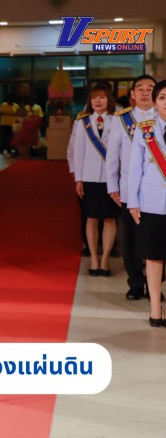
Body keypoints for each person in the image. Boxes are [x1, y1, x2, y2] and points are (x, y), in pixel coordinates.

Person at [104, 74, 157, 301]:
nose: (145, 92)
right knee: (132, 241)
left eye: (150, 88)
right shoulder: (121, 119)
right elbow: (112, 155)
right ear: (132, 94)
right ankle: (135, 283)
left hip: (158, 192)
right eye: (140, 89)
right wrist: (112, 185)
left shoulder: (162, 118)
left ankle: (154, 284)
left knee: (157, 240)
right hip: (129, 190)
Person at [128, 79, 166, 327]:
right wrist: (133, 202)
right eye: (162, 97)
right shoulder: (145, 129)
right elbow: (134, 169)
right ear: (155, 103)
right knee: (153, 257)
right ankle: (155, 309)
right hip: (152, 203)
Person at [73, 84, 117, 277]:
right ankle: (93, 258)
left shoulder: (118, 120)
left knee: (109, 218)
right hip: (90, 177)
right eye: (94, 98)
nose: (98, 101)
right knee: (90, 218)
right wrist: (79, 178)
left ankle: (105, 259)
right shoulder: (82, 122)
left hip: (112, 178)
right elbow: (78, 152)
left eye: (102, 97)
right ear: (89, 101)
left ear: (109, 99)